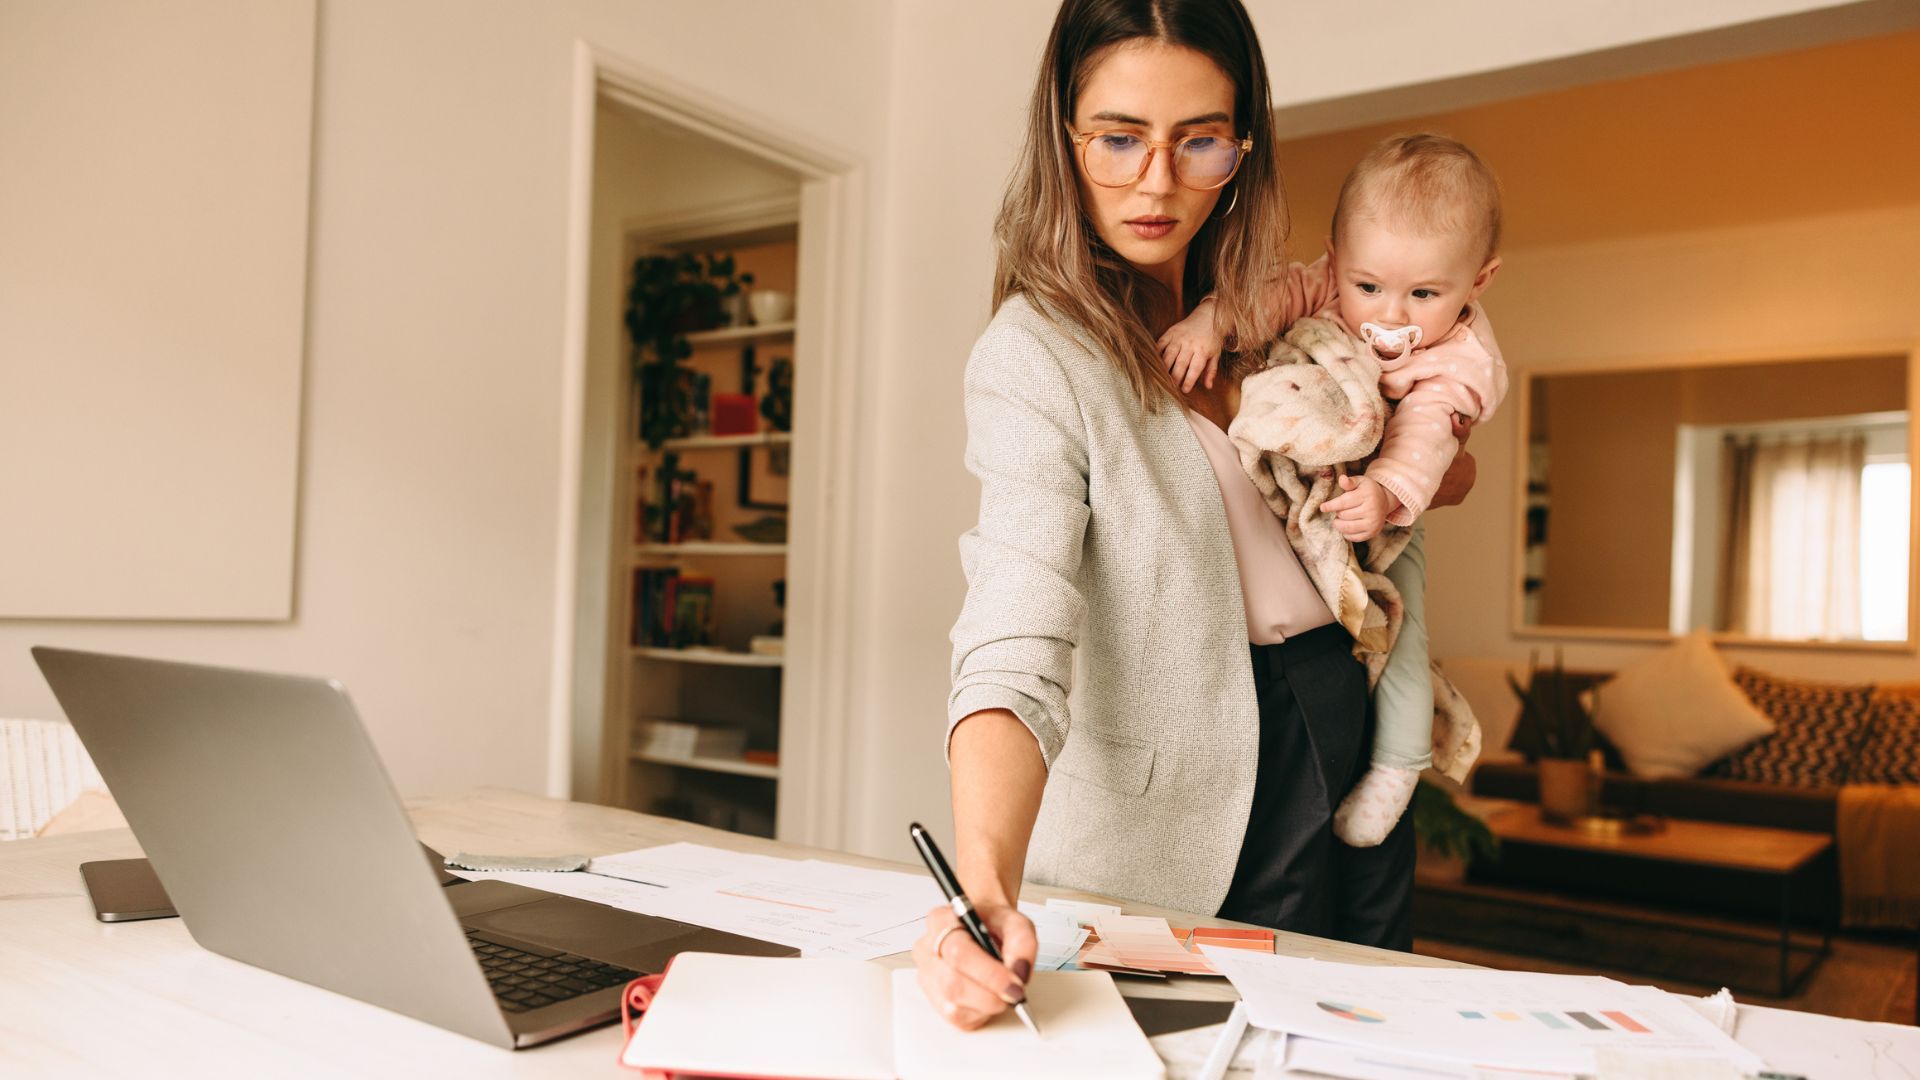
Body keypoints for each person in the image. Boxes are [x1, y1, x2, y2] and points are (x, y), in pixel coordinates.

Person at [913, 0, 1475, 1032]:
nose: (1158, 182)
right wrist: (984, 880)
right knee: (1238, 1042)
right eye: (1119, 138)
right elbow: (1015, 625)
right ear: (1063, 135)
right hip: (1206, 777)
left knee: (1374, 1023)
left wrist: (1421, 469)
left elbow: (1434, 450)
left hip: (1342, 708)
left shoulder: (1274, 311)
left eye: (1201, 141)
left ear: (1243, 146)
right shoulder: (1037, 354)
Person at [1158, 133, 1509, 847]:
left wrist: (1385, 491)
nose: (1390, 315)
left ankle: (1401, 761)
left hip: (1390, 511)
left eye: (1424, 293)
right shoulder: (1325, 282)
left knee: (1402, 635)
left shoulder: (1460, 358)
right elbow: (1273, 296)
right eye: (1368, 286)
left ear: (1478, 282)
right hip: (1300, 540)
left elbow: (1429, 435)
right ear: (1337, 257)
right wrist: (1212, 321)